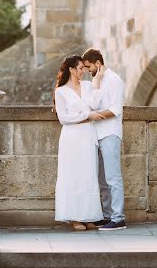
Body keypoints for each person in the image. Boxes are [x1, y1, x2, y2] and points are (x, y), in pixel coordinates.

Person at [54, 54, 106, 231]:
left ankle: (88, 216)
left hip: (87, 136)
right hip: (72, 139)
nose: (83, 71)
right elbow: (63, 118)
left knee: (88, 176)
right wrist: (86, 116)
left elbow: (96, 103)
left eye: (84, 68)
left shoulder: (87, 86)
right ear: (71, 69)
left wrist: (97, 81)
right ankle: (74, 217)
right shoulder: (61, 91)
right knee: (73, 176)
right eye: (80, 68)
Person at [82, 48, 126, 230]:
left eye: (88, 66)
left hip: (110, 133)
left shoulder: (114, 79)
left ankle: (118, 218)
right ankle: (108, 215)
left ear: (98, 63)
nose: (86, 70)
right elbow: (92, 103)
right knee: (102, 179)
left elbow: (116, 109)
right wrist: (97, 83)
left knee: (113, 177)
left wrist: (93, 115)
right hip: (97, 135)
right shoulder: (96, 80)